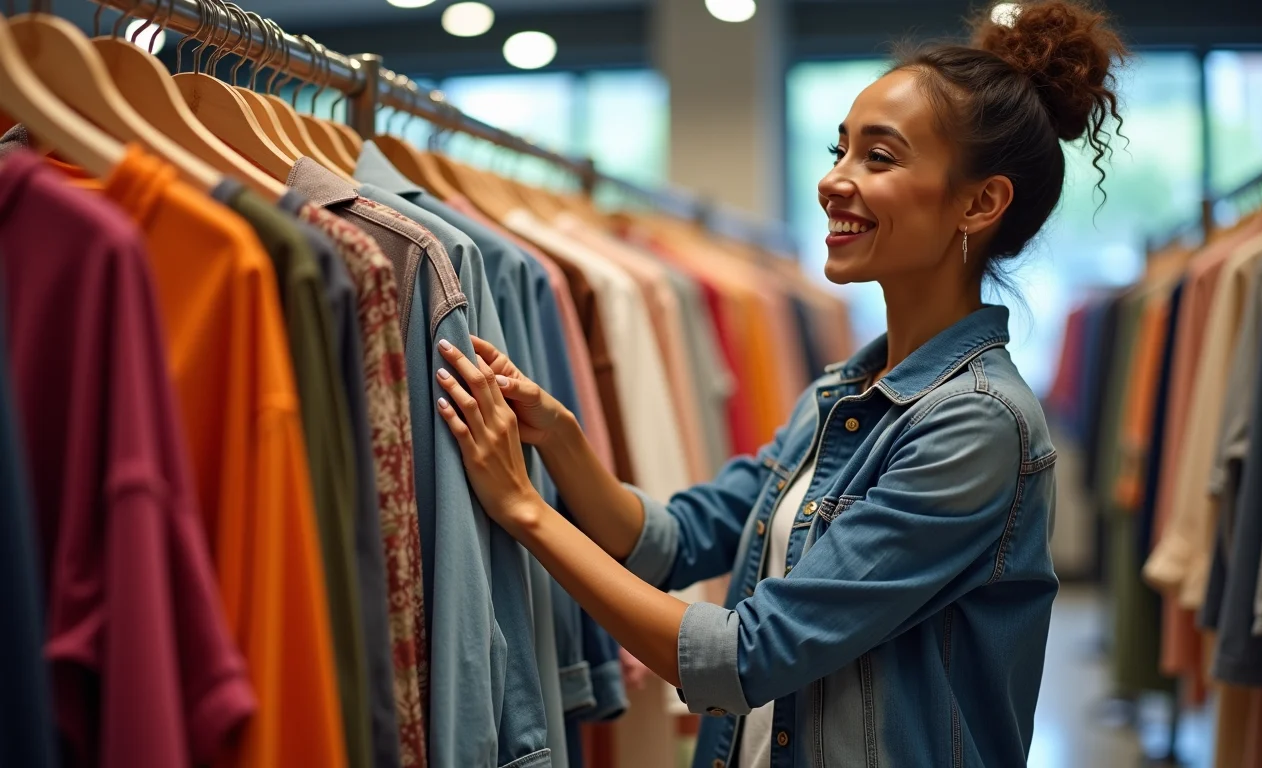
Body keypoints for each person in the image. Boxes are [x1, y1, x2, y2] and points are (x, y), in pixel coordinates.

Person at [433, 1, 1126, 765]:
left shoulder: (976, 424)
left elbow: (744, 658)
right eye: (840, 151)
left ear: (980, 202)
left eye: (880, 158)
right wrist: (561, 440)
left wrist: (524, 509)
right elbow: (673, 541)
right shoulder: (843, 394)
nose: (834, 181)